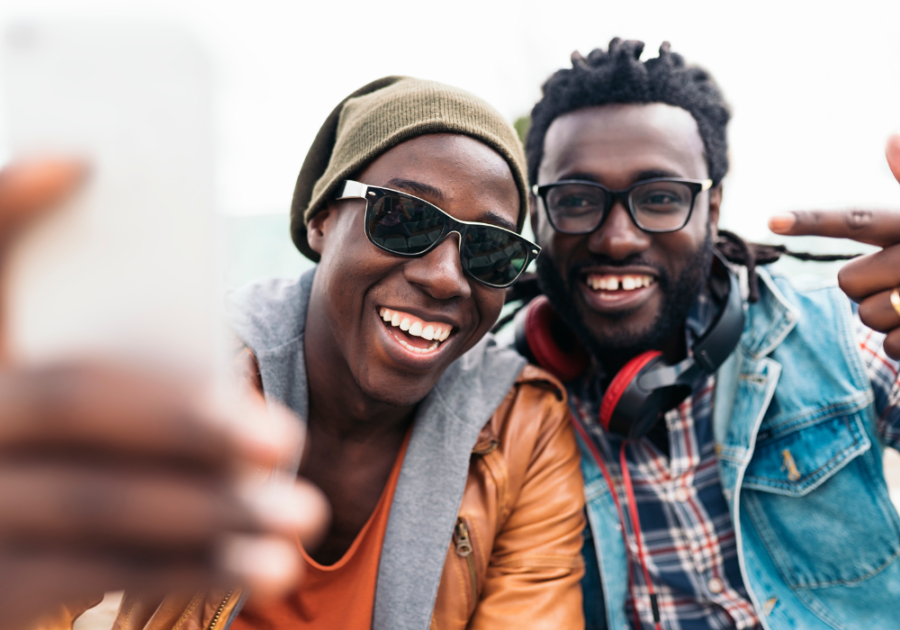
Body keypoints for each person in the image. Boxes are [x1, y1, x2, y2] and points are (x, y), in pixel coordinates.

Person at [35, 76, 586, 629]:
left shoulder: (523, 429)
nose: (446, 278)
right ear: (321, 218)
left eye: (490, 249)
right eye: (402, 217)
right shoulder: (185, 380)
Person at [518, 38, 900, 629]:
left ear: (713, 209)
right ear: (537, 214)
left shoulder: (837, 339)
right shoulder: (506, 409)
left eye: (662, 197)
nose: (617, 239)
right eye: (575, 200)